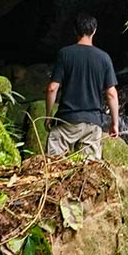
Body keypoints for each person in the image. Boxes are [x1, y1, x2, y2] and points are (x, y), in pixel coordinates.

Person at [45, 12, 119, 158]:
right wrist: (115, 123)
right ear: (95, 31)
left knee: (53, 166)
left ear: (74, 30)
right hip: (93, 123)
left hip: (67, 120)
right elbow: (111, 93)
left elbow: (52, 88)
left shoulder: (65, 54)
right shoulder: (104, 58)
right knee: (89, 173)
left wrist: (48, 116)